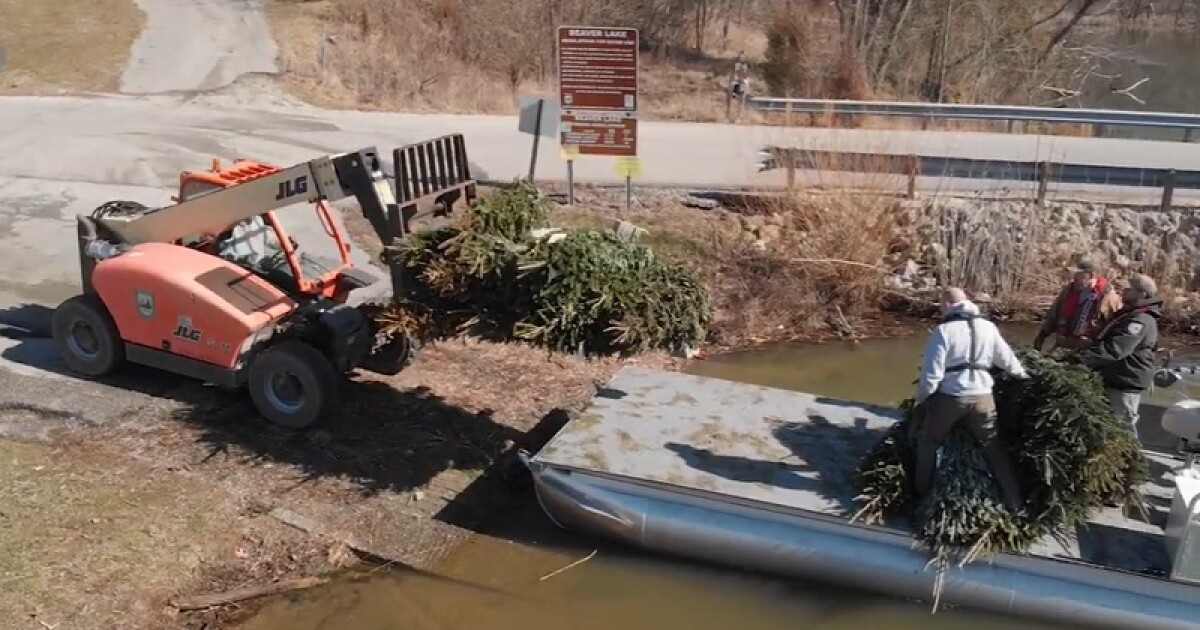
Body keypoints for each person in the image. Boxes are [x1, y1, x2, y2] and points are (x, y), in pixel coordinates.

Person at [914, 288, 1029, 512]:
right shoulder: (988, 327)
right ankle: (1015, 502)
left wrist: (921, 401)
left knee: (928, 443)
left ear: (947, 304)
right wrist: (1024, 377)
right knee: (993, 448)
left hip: (951, 398)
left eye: (940, 305)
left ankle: (920, 497)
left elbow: (931, 376)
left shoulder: (943, 331)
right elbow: (1008, 361)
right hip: (983, 398)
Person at [1076, 274, 1163, 440]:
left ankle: (1131, 463)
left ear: (1142, 294)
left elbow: (1115, 349)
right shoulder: (1129, 315)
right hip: (1115, 379)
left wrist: (1080, 359)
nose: (1124, 291)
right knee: (1109, 428)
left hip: (1125, 383)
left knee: (1122, 431)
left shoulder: (1140, 320)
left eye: (1129, 289)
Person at [1033, 259, 1123, 352]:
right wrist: (1042, 335)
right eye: (1074, 274)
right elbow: (1054, 314)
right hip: (1063, 343)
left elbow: (1116, 326)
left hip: (1087, 349)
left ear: (1091, 275)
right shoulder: (1069, 290)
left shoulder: (1108, 297)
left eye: (1079, 275)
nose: (1075, 277)